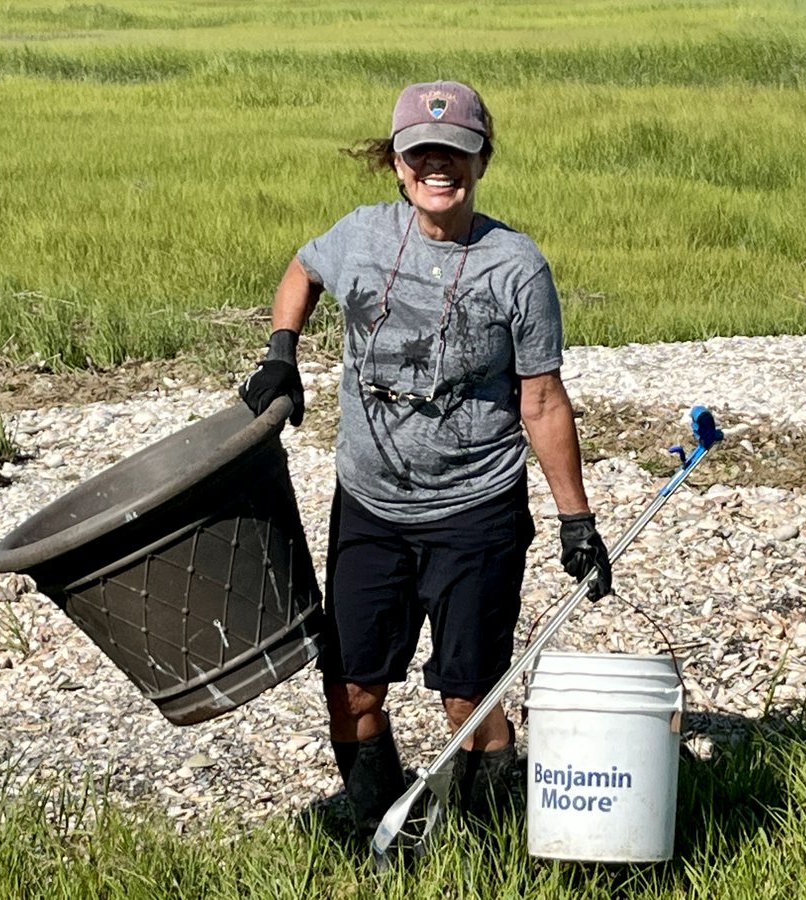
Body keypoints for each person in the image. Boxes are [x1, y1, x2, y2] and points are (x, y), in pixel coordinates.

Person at [239, 80, 612, 839]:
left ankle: (484, 840)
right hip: (370, 505)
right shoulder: (361, 235)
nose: (438, 167)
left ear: (482, 161)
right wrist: (282, 354)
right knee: (352, 687)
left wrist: (576, 519)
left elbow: (542, 400)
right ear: (398, 163)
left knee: (468, 696)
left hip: (477, 509)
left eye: (456, 152)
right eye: (422, 154)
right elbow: (303, 270)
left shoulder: (516, 266)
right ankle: (379, 831)